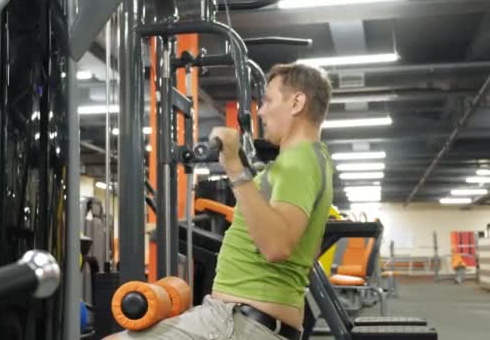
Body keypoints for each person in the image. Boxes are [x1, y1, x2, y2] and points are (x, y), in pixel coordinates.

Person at [107, 63, 334, 340]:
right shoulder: (309, 160)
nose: (261, 111)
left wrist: (234, 166)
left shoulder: (299, 161)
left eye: (268, 101)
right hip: (237, 319)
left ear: (297, 102)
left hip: (239, 323)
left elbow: (277, 247)